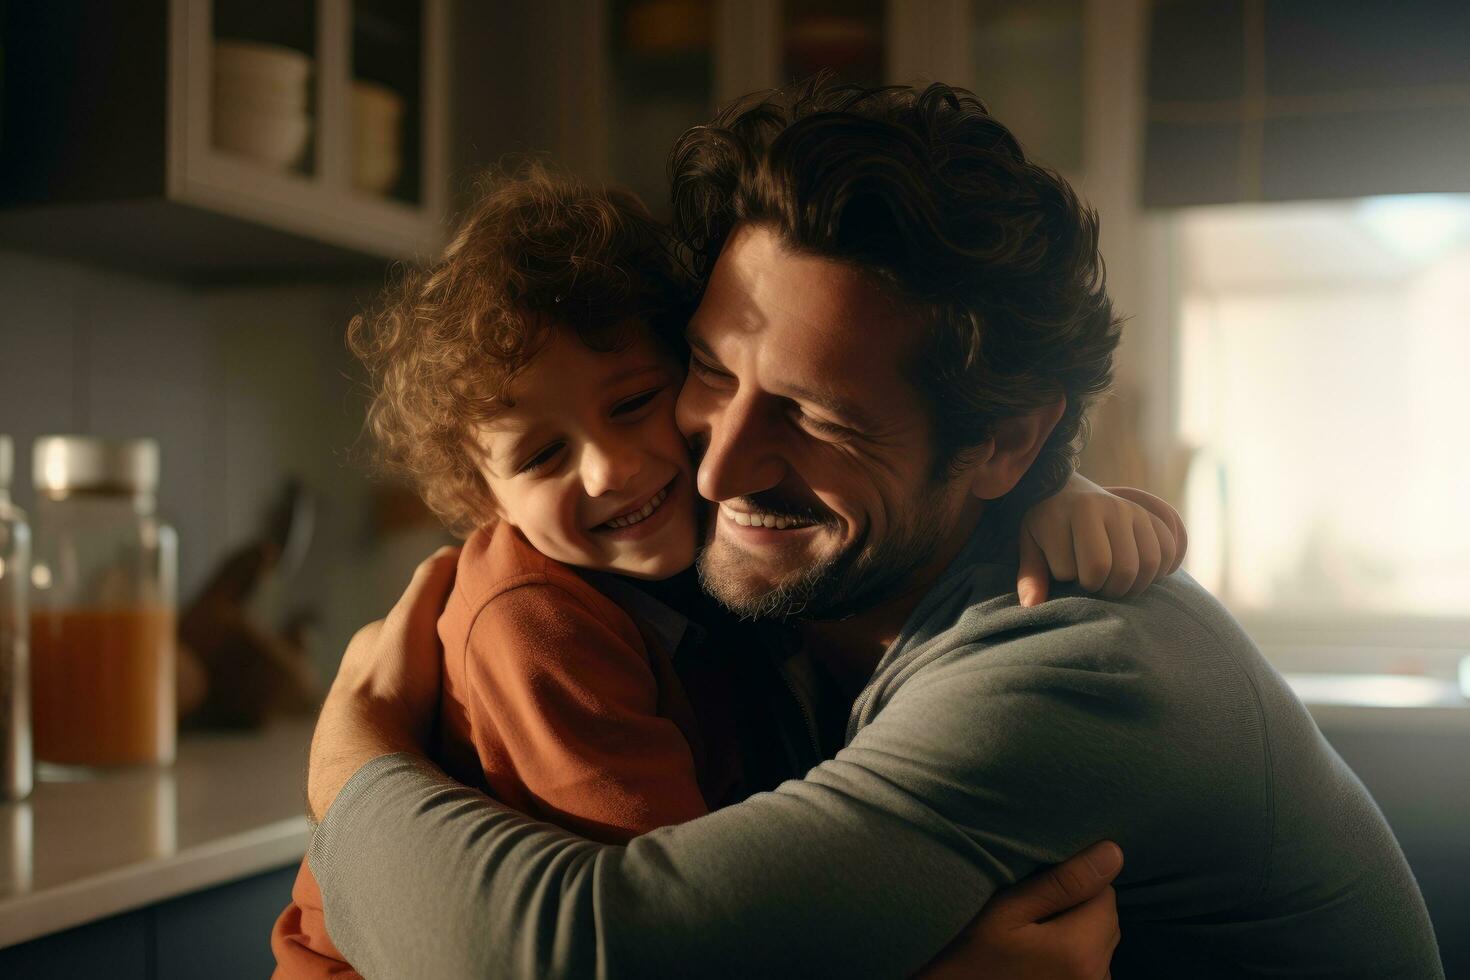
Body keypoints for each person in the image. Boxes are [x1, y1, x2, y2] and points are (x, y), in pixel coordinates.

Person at [302, 81, 1444, 978]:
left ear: (1000, 445)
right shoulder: (795, 593)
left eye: (814, 416)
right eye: (706, 371)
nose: (721, 456)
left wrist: (354, 767)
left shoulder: (1072, 670)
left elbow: (602, 950)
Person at [272, 166, 1185, 978]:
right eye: (542, 456)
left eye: (635, 402)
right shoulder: (536, 621)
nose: (614, 468)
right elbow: (667, 933)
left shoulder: (702, 544)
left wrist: (1048, 493)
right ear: (482, 496)